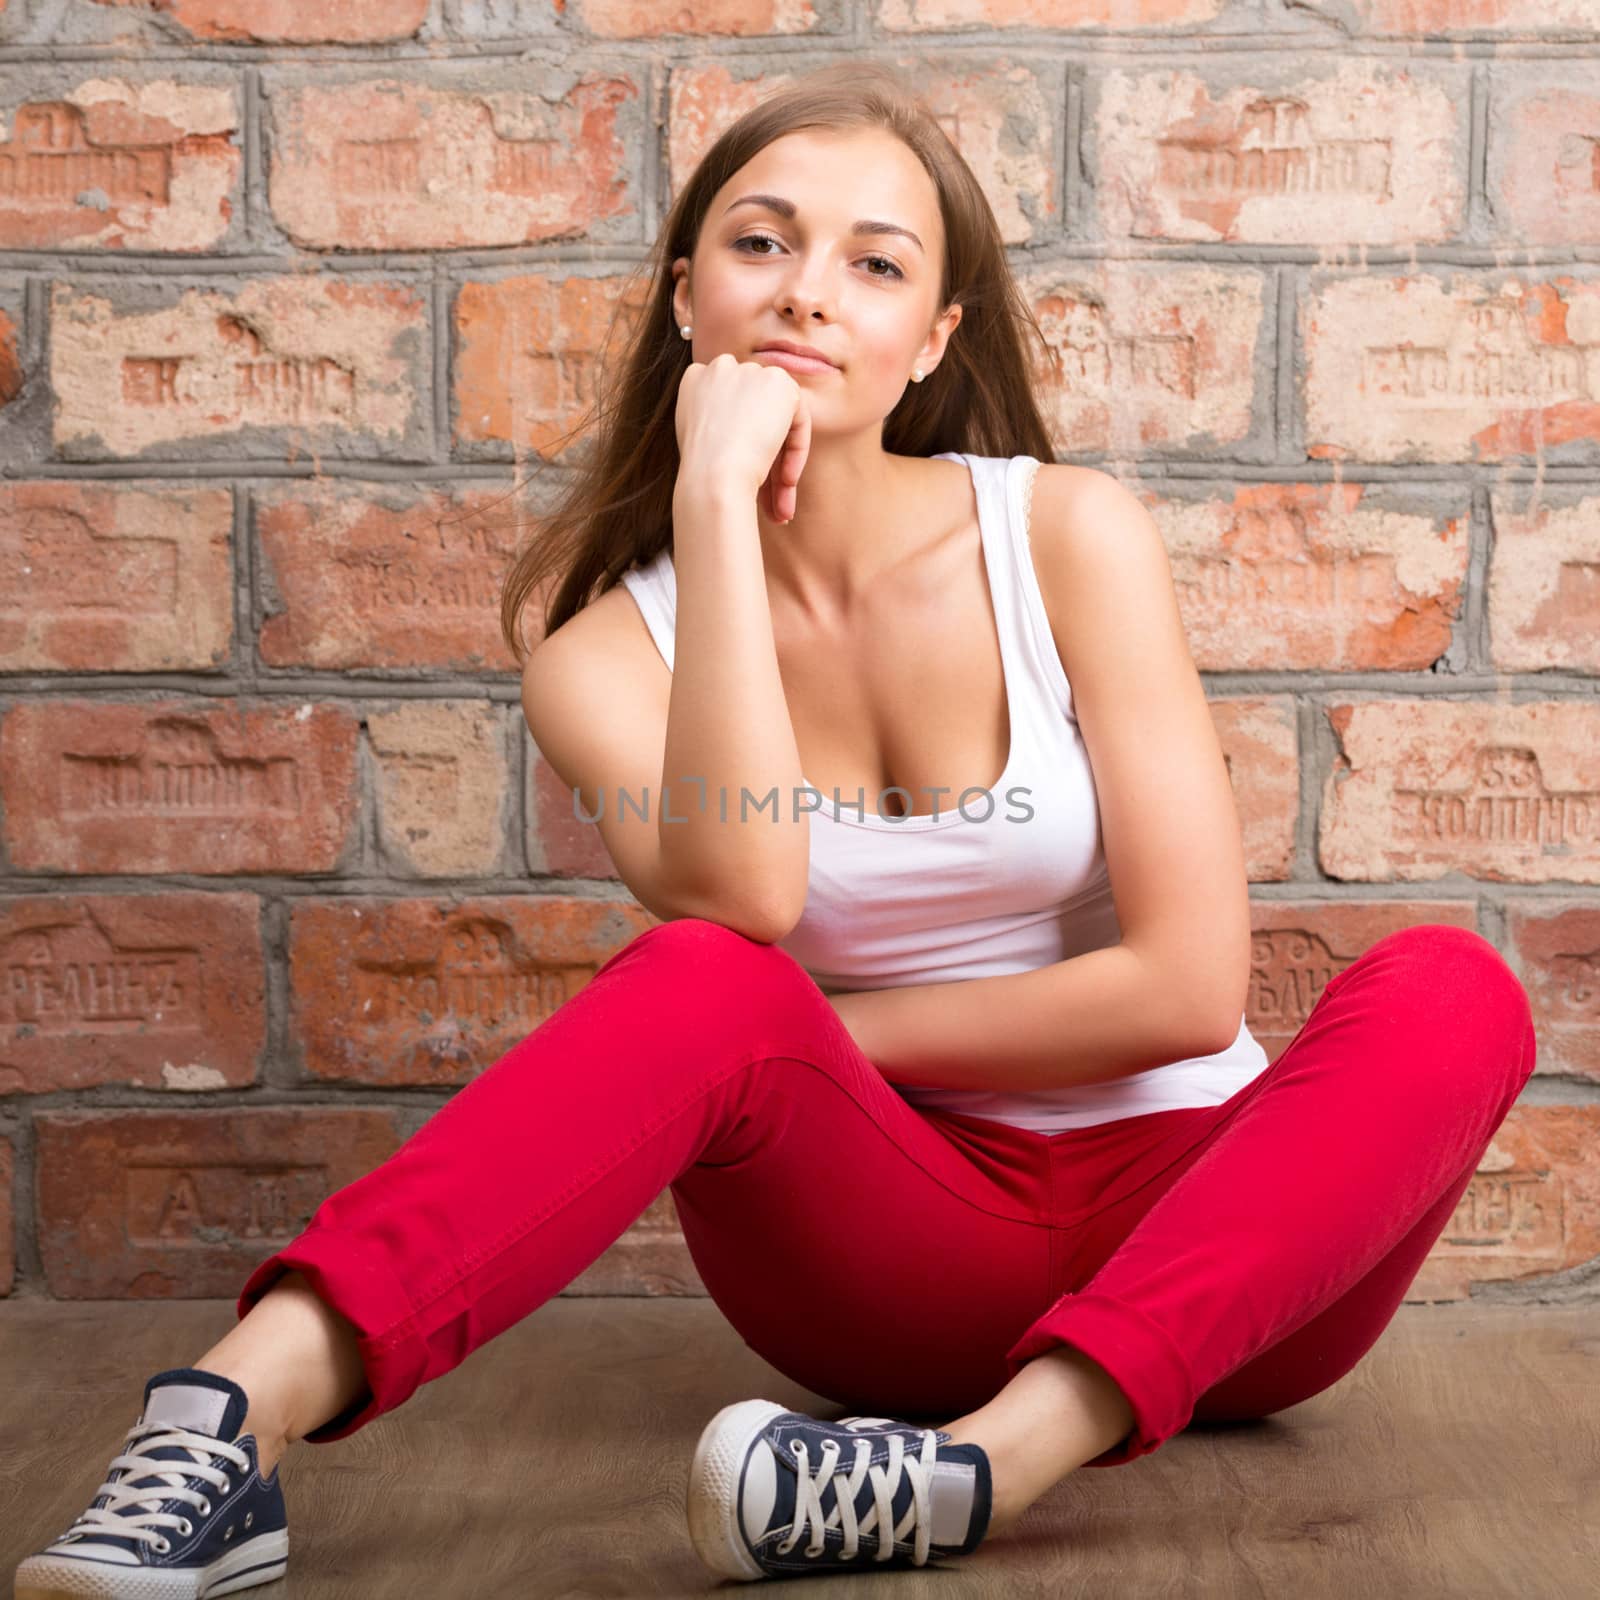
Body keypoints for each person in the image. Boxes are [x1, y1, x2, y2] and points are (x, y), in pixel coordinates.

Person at [15, 62, 1537, 1597]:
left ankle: (986, 1469)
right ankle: (218, 1430)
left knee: (1451, 986)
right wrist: (714, 517)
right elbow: (744, 899)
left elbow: (1187, 992)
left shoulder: (1070, 537)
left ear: (931, 340)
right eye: (761, 245)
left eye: (875, 265)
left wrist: (807, 1044)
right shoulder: (602, 658)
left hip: (1232, 1247)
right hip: (901, 1259)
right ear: (687, 297)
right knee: (698, 979)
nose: (809, 296)